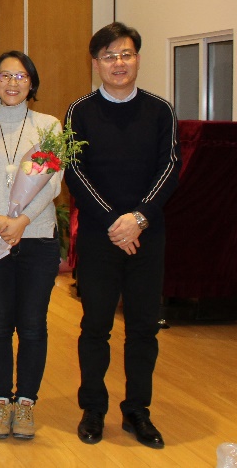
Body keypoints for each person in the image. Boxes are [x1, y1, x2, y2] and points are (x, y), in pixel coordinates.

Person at [65, 22, 180, 449]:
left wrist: (139, 218)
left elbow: (170, 167)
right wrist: (116, 222)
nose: (119, 63)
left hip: (147, 236)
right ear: (96, 63)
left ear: (138, 59)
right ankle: (93, 408)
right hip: (100, 236)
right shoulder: (79, 111)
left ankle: (137, 411)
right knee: (95, 325)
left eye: (126, 54)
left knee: (144, 328)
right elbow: (75, 172)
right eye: (109, 56)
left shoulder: (160, 110)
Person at [0, 52, 63, 440]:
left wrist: (21, 221)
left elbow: (53, 183)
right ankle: (1, 400)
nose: (12, 83)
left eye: (20, 77)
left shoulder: (49, 126)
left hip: (37, 238)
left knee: (33, 324)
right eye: (4, 76)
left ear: (32, 83)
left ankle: (26, 404)